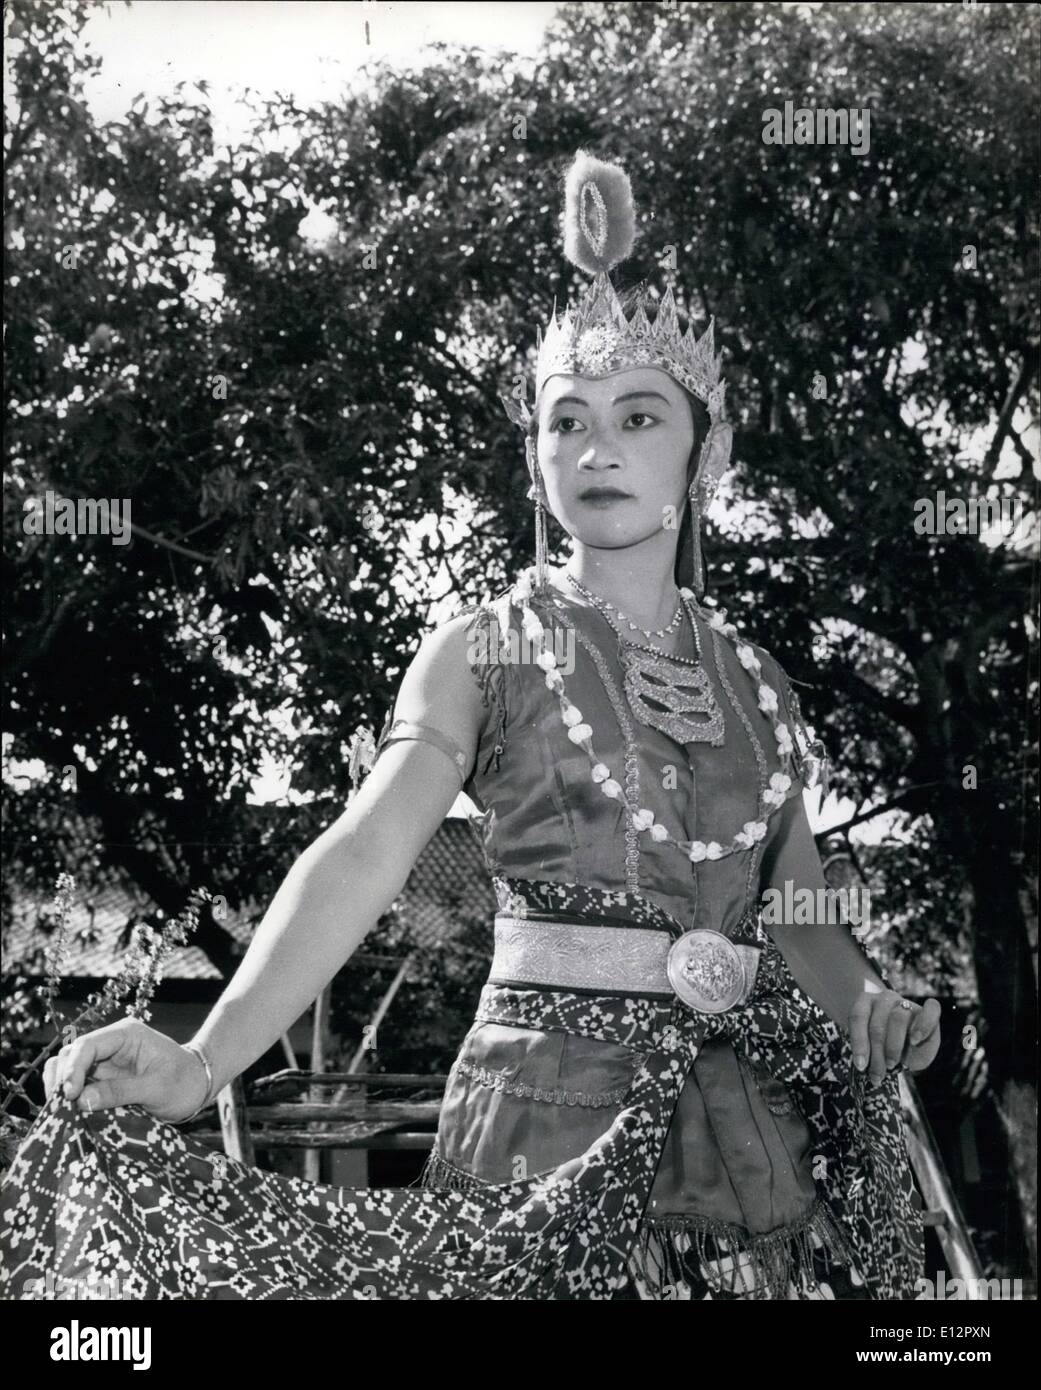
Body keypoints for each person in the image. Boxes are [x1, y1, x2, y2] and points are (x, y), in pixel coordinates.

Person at [0, 150, 940, 1301]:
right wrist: (205, 1059)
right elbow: (364, 849)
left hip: (749, 1137)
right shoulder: (485, 650)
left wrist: (872, 1005)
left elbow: (795, 907)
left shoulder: (762, 682)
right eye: (567, 423)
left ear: (705, 454)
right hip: (541, 1131)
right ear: (535, 458)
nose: (599, 449)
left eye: (639, 418)